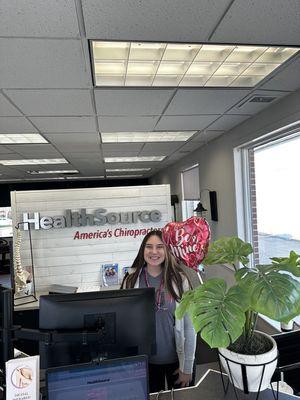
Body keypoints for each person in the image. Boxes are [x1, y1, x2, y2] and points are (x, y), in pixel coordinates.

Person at [121, 230, 197, 393]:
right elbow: (124, 325)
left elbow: (190, 327)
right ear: (143, 250)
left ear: (167, 250)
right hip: (144, 364)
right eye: (149, 247)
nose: (154, 252)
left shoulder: (180, 280)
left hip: (178, 362)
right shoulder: (131, 280)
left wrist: (187, 367)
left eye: (159, 247)